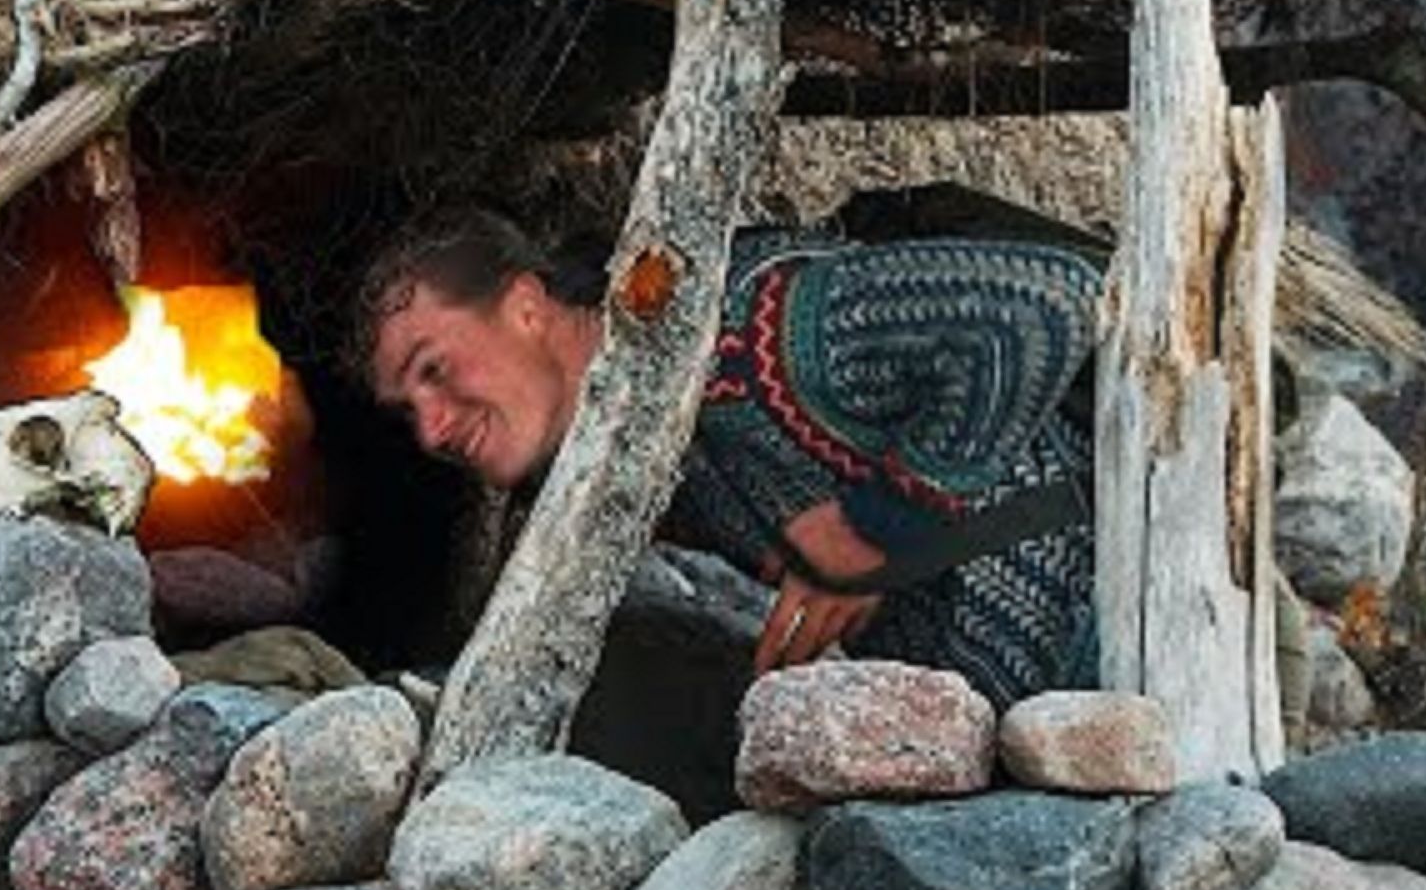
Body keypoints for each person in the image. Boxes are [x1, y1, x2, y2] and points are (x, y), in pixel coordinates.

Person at [349, 203, 1107, 711]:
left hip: (1113, 648)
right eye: (406, 408)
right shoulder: (628, 461)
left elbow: (1046, 303)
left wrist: (876, 523)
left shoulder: (760, 328)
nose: (431, 430)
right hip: (1023, 733)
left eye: (434, 370)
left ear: (524, 306)